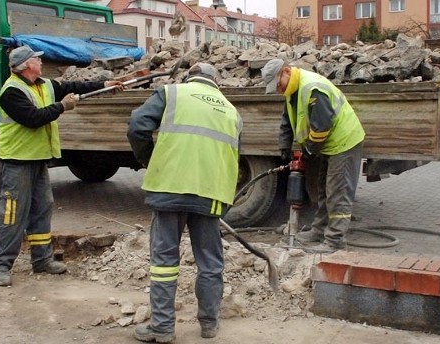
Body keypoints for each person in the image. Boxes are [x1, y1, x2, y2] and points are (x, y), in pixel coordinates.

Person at [0, 45, 124, 287]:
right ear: (27, 65)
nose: (41, 62)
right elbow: (33, 118)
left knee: (42, 208)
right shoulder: (11, 92)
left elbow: (73, 87)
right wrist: (63, 107)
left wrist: (105, 86)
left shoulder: (44, 85)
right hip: (17, 161)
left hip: (38, 159)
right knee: (13, 214)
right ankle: (1, 264)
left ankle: (42, 259)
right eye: (37, 60)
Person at [127, 63, 242, 342]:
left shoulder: (171, 93)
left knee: (164, 262)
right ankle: (209, 325)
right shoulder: (232, 110)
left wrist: (148, 159)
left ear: (189, 77)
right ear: (216, 81)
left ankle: (163, 328)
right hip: (211, 193)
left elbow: (137, 126)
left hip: (170, 188)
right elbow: (233, 155)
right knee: (211, 263)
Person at [261, 59, 365, 253]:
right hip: (328, 145)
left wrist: (309, 150)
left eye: (277, 85)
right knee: (324, 190)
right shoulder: (292, 91)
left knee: (338, 192)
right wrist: (284, 145)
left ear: (285, 72)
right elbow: (287, 119)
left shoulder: (312, 88)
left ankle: (335, 241)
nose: (277, 90)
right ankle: (318, 231)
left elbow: (322, 126)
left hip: (343, 142)